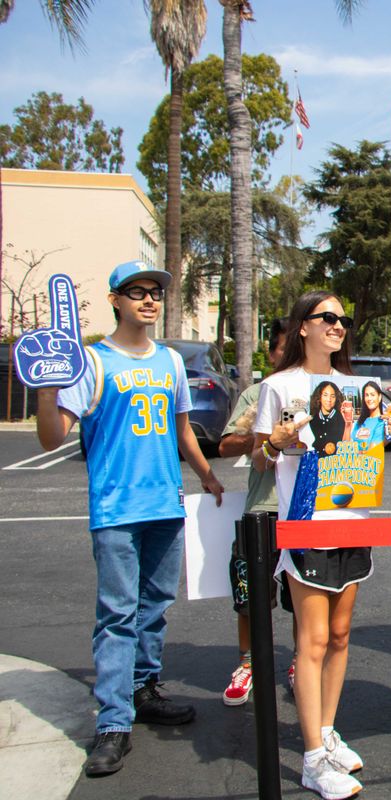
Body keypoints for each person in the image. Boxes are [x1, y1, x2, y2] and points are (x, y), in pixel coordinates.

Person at [35, 261, 225, 778]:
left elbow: (183, 432)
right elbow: (52, 439)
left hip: (165, 504)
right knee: (117, 615)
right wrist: (47, 392)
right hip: (116, 509)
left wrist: (208, 477)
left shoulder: (169, 360)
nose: (148, 300)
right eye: (136, 291)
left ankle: (143, 688)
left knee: (155, 607)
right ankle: (113, 722)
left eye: (155, 292)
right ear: (115, 300)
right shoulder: (92, 362)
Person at [253, 291, 371, 800]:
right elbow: (259, 460)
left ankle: (326, 731)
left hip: (354, 520)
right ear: (303, 326)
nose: (338, 326)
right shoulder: (278, 386)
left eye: (343, 319)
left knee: (341, 636)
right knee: (314, 642)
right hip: (305, 526)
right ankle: (311, 759)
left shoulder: (357, 387)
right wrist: (276, 442)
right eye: (328, 318)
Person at [218, 319, 298, 706]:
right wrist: (261, 430)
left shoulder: (314, 391)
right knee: (250, 595)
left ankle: (300, 663)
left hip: (303, 511)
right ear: (272, 352)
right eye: (283, 348)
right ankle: (247, 663)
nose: (290, 355)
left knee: (303, 599)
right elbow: (225, 446)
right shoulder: (257, 393)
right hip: (262, 509)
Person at [351, 381, 391, 449]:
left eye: (372, 395)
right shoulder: (360, 421)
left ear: (379, 397)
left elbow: (373, 449)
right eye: (367, 395)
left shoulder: (382, 422)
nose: (369, 398)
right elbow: (351, 442)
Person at [309, 381, 344, 457]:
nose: (329, 399)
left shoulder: (342, 419)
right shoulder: (312, 420)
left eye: (332, 396)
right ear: (319, 397)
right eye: (325, 395)